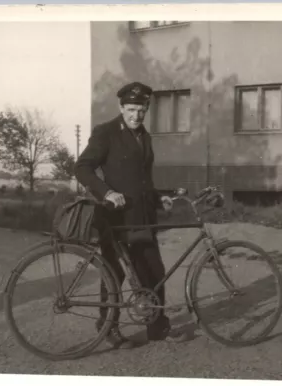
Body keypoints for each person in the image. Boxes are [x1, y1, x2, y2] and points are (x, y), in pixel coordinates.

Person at [74, 81, 190, 349]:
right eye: (131, 109)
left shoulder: (144, 136)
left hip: (142, 218)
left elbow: (142, 179)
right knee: (113, 274)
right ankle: (108, 327)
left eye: (141, 110)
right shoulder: (106, 133)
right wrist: (106, 193)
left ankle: (157, 327)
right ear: (121, 107)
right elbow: (82, 168)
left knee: (154, 271)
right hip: (115, 218)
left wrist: (158, 196)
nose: (136, 115)